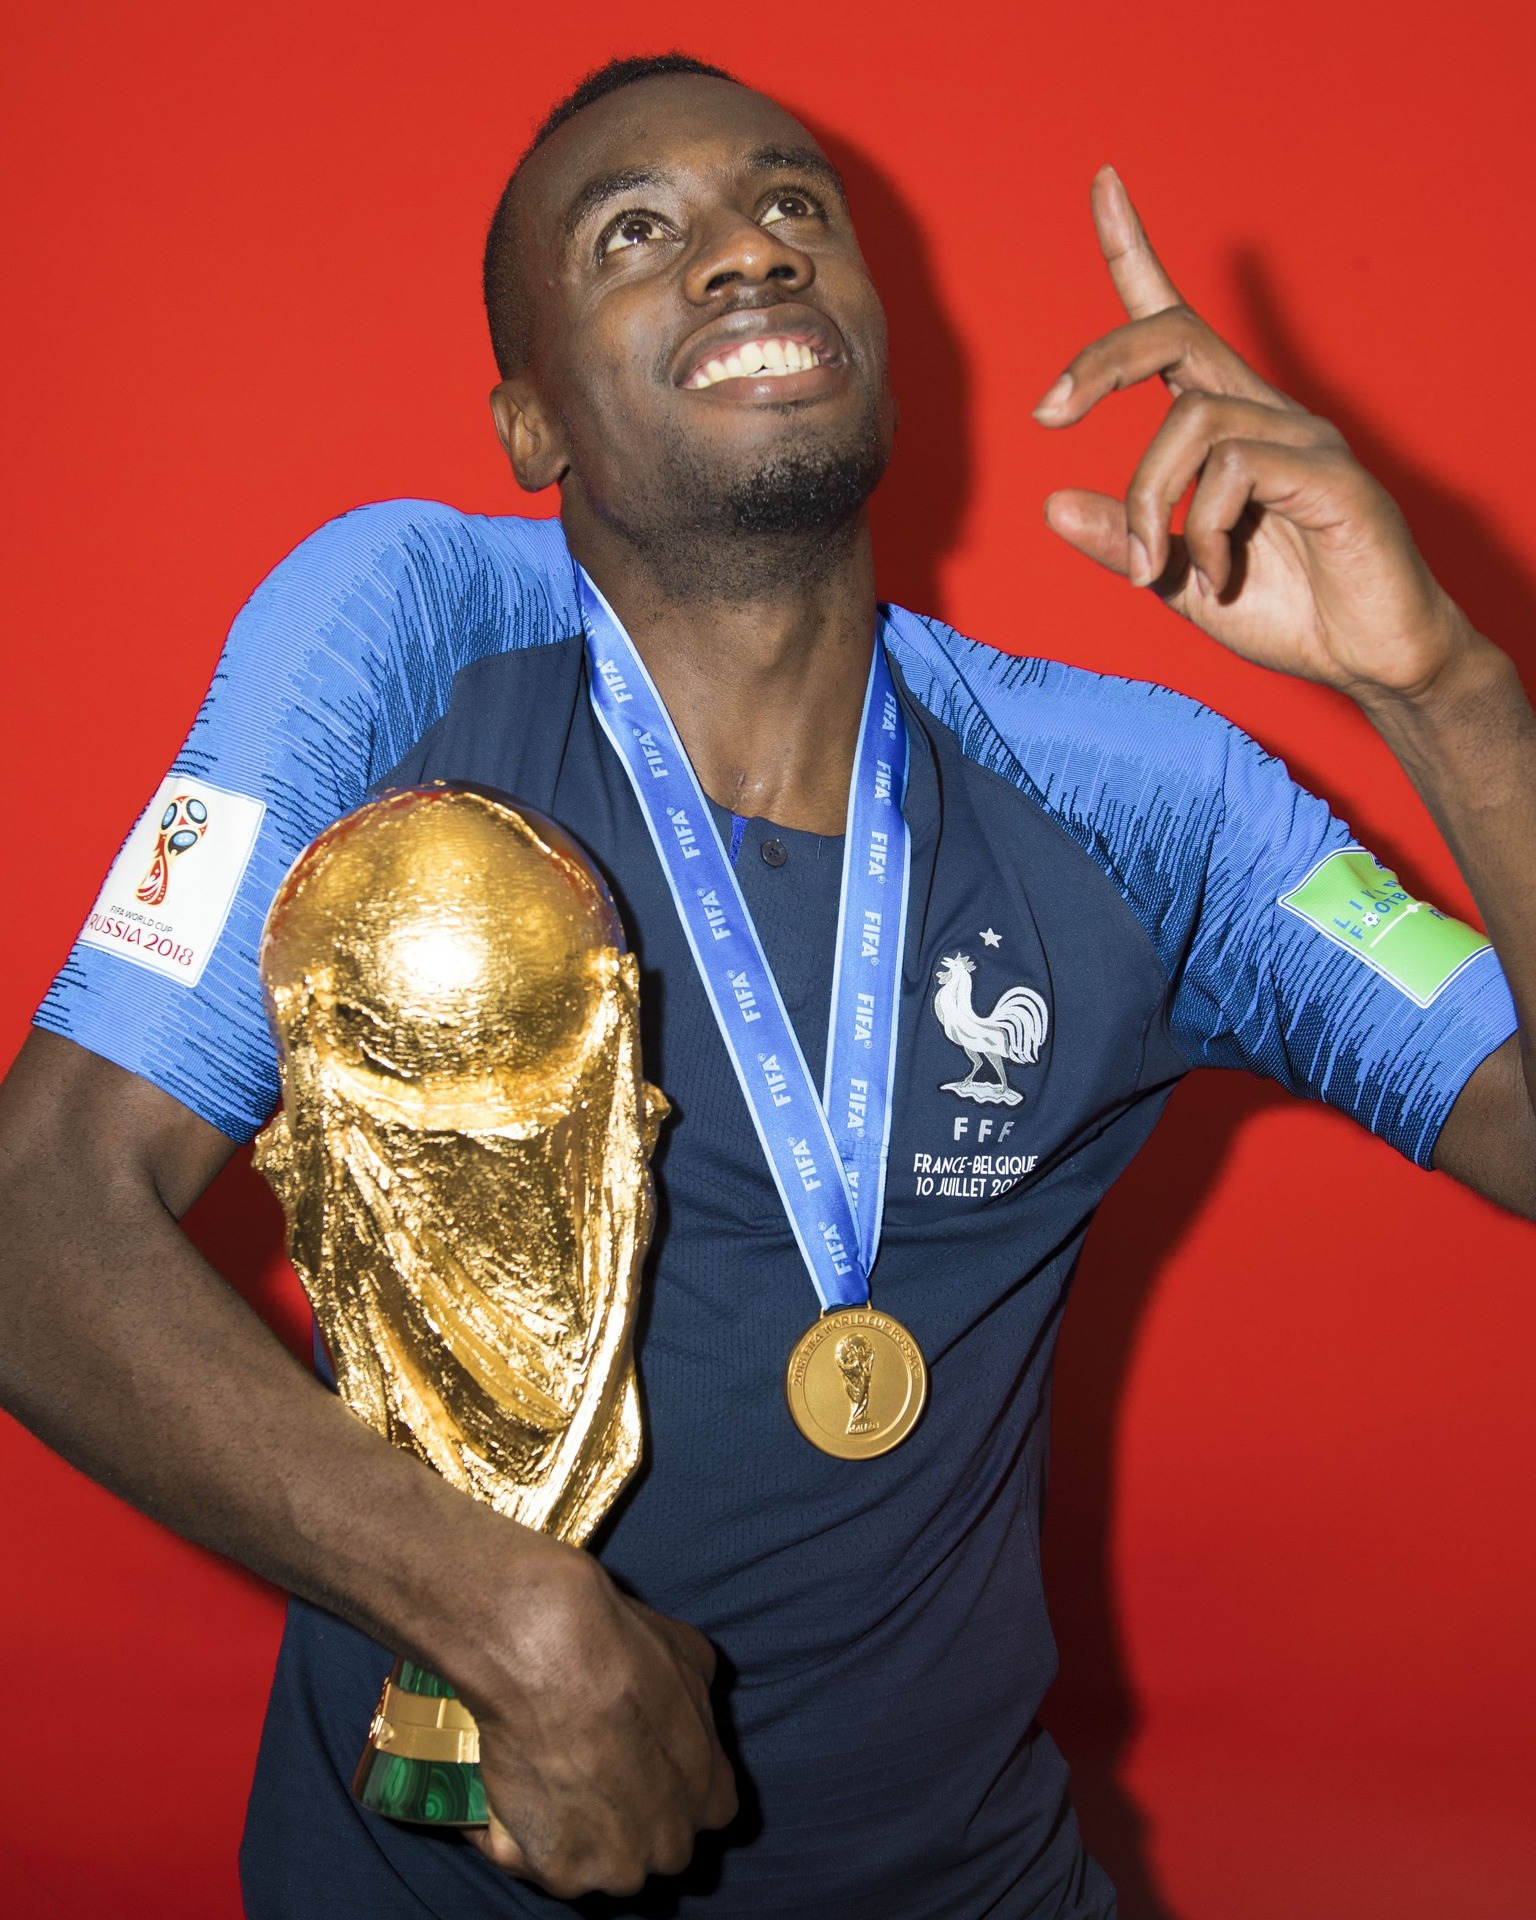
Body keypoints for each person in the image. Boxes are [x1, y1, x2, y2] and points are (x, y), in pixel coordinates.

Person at [2, 48, 1533, 1920]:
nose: (746, 253)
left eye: (793, 205)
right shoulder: (402, 635)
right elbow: (36, 1220)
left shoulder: (1144, 798)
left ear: (890, 331)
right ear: (530, 421)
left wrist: (1440, 693)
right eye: (635, 233)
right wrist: (505, 1615)